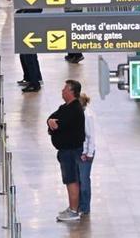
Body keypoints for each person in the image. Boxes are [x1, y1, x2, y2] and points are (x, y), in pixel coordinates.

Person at [47, 79, 86, 222]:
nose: (62, 91)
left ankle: (74, 210)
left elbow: (60, 125)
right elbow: (52, 118)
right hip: (65, 151)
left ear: (71, 92)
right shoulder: (65, 107)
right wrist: (50, 122)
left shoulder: (74, 109)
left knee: (71, 180)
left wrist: (53, 124)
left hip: (71, 151)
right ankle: (72, 207)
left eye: (65, 89)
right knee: (69, 179)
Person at [78, 93, 96, 216]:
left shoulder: (87, 116)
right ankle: (79, 204)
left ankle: (85, 207)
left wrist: (89, 153)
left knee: (84, 181)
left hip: (85, 154)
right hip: (79, 152)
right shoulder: (79, 114)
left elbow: (91, 136)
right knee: (78, 180)